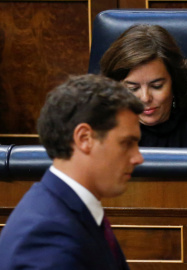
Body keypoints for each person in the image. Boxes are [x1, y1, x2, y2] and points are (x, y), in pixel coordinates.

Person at [0, 74, 144, 269]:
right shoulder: (48, 238)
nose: (138, 158)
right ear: (84, 138)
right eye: (126, 143)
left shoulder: (66, 209)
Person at [100, 24, 187, 148]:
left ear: (175, 83)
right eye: (133, 89)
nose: (145, 98)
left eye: (157, 86)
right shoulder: (101, 136)